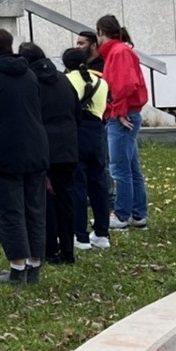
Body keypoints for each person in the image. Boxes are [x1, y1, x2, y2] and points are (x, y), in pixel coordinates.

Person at [0, 28, 49, 285]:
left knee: (8, 210)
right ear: (11, 46)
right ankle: (35, 266)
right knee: (35, 208)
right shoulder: (30, 75)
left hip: (1, 151)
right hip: (35, 148)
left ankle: (17, 268)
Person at [18, 42, 80, 266]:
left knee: (46, 199)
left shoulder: (31, 83)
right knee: (66, 198)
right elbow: (77, 112)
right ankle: (68, 250)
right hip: (69, 147)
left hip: (44, 148)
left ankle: (50, 249)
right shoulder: (64, 80)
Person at [96, 14, 149, 231]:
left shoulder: (118, 53)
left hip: (122, 116)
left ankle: (122, 213)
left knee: (119, 168)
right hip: (128, 113)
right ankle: (137, 213)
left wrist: (119, 111)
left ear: (100, 32)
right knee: (131, 167)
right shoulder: (122, 51)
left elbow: (124, 85)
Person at [63, 47, 112, 252]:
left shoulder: (67, 82)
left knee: (78, 186)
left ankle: (80, 236)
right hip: (98, 132)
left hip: (78, 132)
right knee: (99, 184)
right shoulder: (102, 82)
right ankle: (102, 233)